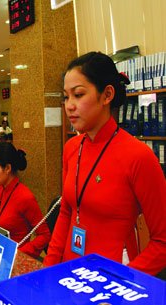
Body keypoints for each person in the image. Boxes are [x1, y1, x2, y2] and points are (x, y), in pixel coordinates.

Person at [43, 51, 166, 276]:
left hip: (115, 275)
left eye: (78, 95)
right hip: (70, 272)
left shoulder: (139, 156)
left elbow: (163, 241)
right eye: (66, 97)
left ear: (107, 94)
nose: (69, 105)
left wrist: (122, 285)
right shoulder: (72, 148)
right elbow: (66, 212)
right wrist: (48, 269)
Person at [0, 142, 51, 259]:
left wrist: (19, 253)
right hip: (0, 255)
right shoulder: (2, 189)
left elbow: (45, 235)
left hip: (15, 258)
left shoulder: (24, 196)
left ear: (7, 168)